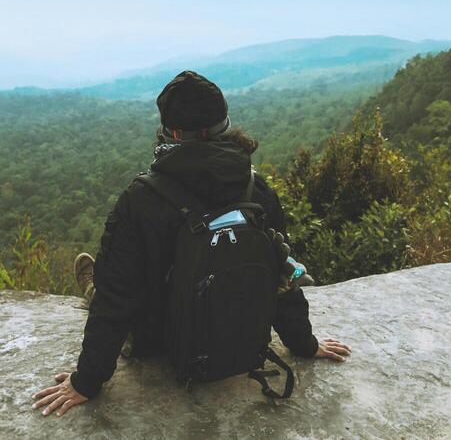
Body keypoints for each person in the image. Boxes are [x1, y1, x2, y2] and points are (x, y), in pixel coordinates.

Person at [32, 70, 352, 417]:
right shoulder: (256, 190)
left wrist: (86, 382)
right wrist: (305, 344)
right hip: (239, 335)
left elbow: (117, 300)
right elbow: (281, 274)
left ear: (169, 133)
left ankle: (90, 286)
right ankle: (94, 284)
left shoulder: (141, 200)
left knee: (107, 288)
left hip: (162, 345)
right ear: (225, 125)